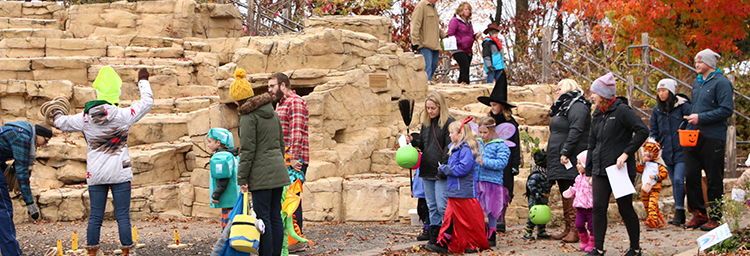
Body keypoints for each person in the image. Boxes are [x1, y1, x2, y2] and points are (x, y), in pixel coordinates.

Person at [48, 66, 153, 256]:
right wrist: (143, 80)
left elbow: (60, 122)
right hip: (120, 171)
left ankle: (92, 253)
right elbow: (147, 102)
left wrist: (56, 111)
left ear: (97, 92)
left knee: (95, 216)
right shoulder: (123, 116)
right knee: (122, 216)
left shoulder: (85, 118)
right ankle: (127, 252)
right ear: (117, 92)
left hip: (95, 173)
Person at [586, 73, 648, 256]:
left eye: (594, 93)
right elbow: (592, 143)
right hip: (599, 169)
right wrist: (589, 171)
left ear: (604, 94)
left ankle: (635, 248)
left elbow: (643, 131)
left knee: (625, 207)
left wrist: (626, 153)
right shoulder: (597, 113)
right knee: (598, 208)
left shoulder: (622, 111)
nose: (592, 96)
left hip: (619, 169)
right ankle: (598, 248)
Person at [233, 68, 291, 256]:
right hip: (278, 171)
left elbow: (248, 150)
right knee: (275, 215)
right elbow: (281, 144)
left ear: (237, 99)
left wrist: (242, 177)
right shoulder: (272, 112)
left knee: (263, 218)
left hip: (261, 174)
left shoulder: (248, 117)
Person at [682, 49, 734, 231]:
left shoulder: (722, 83)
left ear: (710, 64)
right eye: (696, 61)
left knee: (713, 177)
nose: (696, 64)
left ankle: (715, 215)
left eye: (700, 61)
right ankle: (698, 213)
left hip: (713, 137)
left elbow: (727, 110)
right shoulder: (697, 83)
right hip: (693, 135)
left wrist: (701, 117)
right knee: (691, 175)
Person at [425, 118, 489, 253]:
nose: (449, 135)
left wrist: (445, 169)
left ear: (460, 134)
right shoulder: (455, 149)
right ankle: (443, 242)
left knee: (466, 221)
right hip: (454, 190)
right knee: (450, 219)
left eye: (451, 133)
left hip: (464, 192)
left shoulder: (466, 149)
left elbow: (463, 169)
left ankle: (471, 244)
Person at [267, 72, 309, 252]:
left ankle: (295, 241)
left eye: (272, 86)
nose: (269, 90)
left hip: (294, 160)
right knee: (284, 200)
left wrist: (293, 158)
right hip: (284, 160)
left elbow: (297, 131)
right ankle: (288, 240)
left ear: (283, 85)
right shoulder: (281, 104)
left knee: (292, 199)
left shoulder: (295, 102)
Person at [408, 92, 455, 248]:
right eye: (428, 108)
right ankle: (434, 237)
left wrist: (443, 166)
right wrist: (414, 141)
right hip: (426, 169)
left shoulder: (449, 123)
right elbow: (425, 145)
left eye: (433, 108)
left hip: (440, 170)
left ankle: (447, 236)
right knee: (431, 206)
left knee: (442, 205)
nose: (430, 111)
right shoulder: (426, 124)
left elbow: (450, 148)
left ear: (440, 107)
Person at [548, 79, 591, 243]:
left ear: (569, 87)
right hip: (559, 156)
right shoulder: (563, 107)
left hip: (571, 156)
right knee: (564, 191)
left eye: (559, 88)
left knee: (572, 192)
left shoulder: (577, 106)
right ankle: (568, 227)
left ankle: (576, 230)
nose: (556, 91)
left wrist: (566, 151)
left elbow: (576, 129)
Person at [0, 121, 52, 256]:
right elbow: (22, 173)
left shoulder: (19, 131)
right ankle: (12, 253)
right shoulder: (22, 138)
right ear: (39, 135)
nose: (45, 144)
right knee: (4, 211)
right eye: (45, 140)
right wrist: (30, 204)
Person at [477, 77, 519, 233]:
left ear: (502, 106)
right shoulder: (489, 122)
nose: (492, 107)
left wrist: (515, 164)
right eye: (491, 105)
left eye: (495, 105)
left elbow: (516, 145)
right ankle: (487, 221)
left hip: (505, 162)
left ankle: (500, 218)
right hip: (487, 162)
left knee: (504, 190)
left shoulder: (511, 123)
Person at [648, 78, 691, 226]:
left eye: (664, 90)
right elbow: (654, 131)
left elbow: (690, 124)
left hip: (682, 150)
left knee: (679, 180)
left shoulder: (683, 106)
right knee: (674, 181)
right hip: (667, 152)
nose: (661, 93)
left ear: (671, 91)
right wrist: (652, 148)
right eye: (659, 91)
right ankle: (680, 213)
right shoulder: (657, 110)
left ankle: (680, 211)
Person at [474, 117, 510, 246]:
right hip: (477, 181)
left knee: (492, 210)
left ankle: (492, 234)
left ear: (492, 130)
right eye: (481, 132)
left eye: (485, 132)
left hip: (492, 182)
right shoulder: (476, 143)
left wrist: (485, 162)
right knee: (478, 209)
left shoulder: (500, 145)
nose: (482, 135)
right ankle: (480, 232)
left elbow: (502, 163)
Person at [206, 128, 240, 230]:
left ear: (218, 142)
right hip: (236, 197)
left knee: (227, 227)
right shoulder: (232, 155)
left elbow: (223, 179)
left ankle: (227, 244)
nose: (208, 145)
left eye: (210, 142)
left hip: (227, 199)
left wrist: (216, 195)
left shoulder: (220, 157)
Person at [562, 150, 594, 252]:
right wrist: (571, 191)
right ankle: (584, 239)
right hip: (579, 206)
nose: (577, 165)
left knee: (592, 226)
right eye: (577, 163)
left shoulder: (591, 178)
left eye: (580, 163)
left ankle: (593, 242)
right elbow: (576, 187)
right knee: (578, 224)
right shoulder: (578, 178)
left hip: (590, 207)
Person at [410, 0, 447, 82]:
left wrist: (444, 36)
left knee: (434, 66)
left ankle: (427, 83)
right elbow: (415, 24)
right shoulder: (421, 5)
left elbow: (436, 26)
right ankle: (426, 88)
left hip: (435, 44)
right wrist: (415, 41)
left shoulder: (434, 8)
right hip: (425, 44)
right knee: (427, 68)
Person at [636, 139, 669, 229]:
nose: (648, 154)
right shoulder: (644, 163)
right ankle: (653, 219)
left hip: (655, 188)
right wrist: (643, 162)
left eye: (650, 152)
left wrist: (656, 176)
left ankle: (652, 222)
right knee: (647, 204)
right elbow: (638, 169)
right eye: (646, 151)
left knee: (652, 205)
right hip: (645, 187)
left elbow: (664, 174)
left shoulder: (659, 164)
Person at [447, 2, 481, 84]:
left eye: (469, 9)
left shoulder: (469, 22)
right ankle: (466, 85)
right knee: (465, 67)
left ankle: (461, 85)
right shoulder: (455, 20)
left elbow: (469, 36)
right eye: (466, 9)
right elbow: (450, 34)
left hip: (468, 49)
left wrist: (475, 36)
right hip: (458, 49)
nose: (468, 11)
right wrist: (461, 41)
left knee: (464, 70)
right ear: (461, 10)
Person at [523, 150, 552, 240]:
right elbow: (530, 185)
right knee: (534, 214)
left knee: (543, 214)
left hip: (544, 196)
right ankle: (528, 231)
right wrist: (536, 193)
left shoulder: (546, 174)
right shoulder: (536, 174)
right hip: (535, 197)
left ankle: (541, 231)